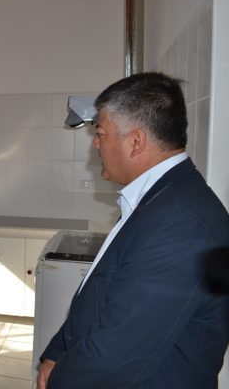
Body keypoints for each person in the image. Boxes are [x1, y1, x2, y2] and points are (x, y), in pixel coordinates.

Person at [37, 72, 229, 389]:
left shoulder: (179, 221)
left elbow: (117, 354)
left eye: (100, 133)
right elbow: (98, 295)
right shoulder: (157, 199)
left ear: (136, 142)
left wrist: (59, 380)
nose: (95, 143)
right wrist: (56, 352)